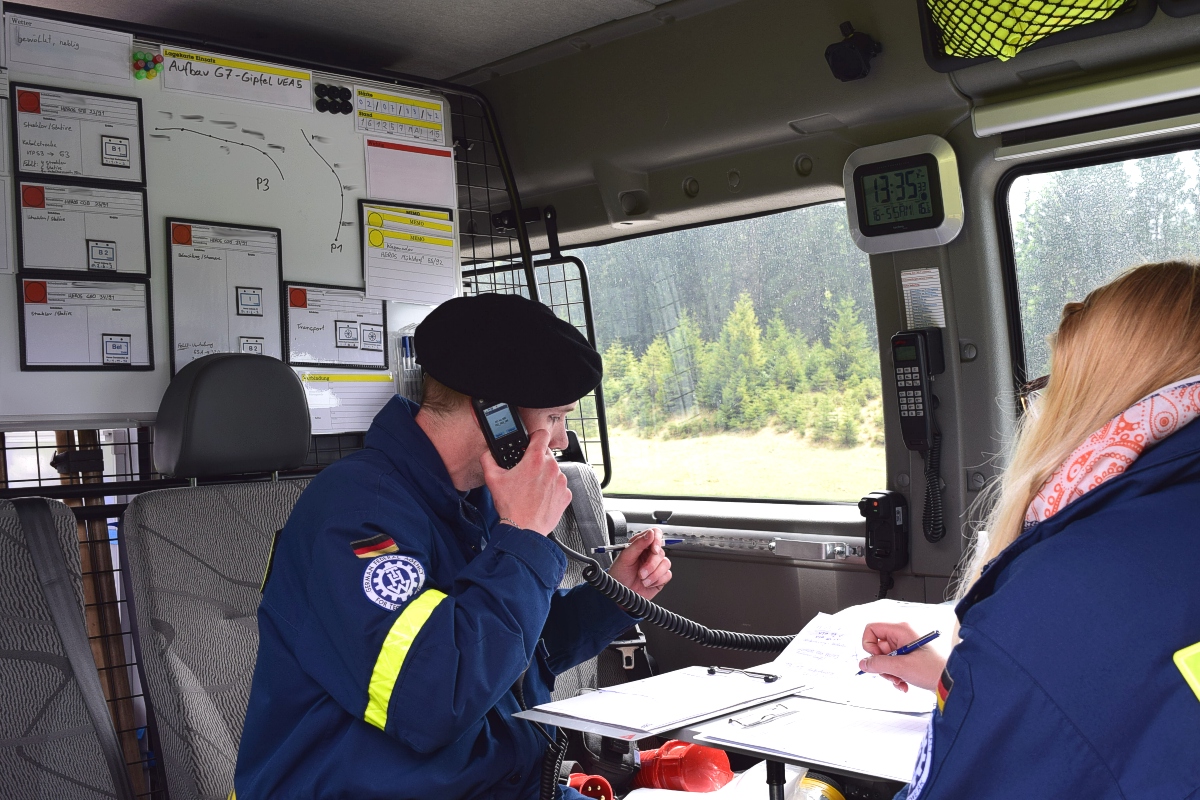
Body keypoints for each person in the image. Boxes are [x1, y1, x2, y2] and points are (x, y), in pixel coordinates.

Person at [235, 293, 673, 800]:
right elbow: (432, 699)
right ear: (493, 411)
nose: (560, 441)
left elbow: (508, 651)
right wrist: (525, 539)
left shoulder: (475, 503)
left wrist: (615, 596)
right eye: (554, 417)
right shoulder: (354, 515)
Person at [857, 261, 1200, 798]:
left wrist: (999, 669)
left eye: (1049, 386)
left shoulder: (1063, 587)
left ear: (1089, 400)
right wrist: (964, 680)